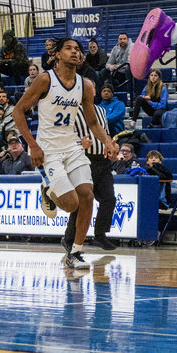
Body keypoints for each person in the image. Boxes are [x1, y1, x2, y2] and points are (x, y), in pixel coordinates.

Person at [12, 37, 118, 269]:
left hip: (72, 147)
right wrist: (33, 145)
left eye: (77, 49)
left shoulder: (86, 85)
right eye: (68, 48)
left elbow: (92, 121)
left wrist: (108, 142)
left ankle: (76, 252)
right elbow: (18, 111)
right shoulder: (44, 79)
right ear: (57, 55)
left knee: (87, 196)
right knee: (70, 204)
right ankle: (48, 191)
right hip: (48, 150)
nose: (74, 52)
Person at [62, 98, 118, 252]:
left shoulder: (101, 110)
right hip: (82, 159)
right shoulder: (70, 110)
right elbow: (64, 137)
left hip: (102, 160)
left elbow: (105, 133)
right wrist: (79, 143)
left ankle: (100, 235)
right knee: (83, 201)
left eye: (92, 87)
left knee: (109, 198)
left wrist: (112, 145)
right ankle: (69, 238)